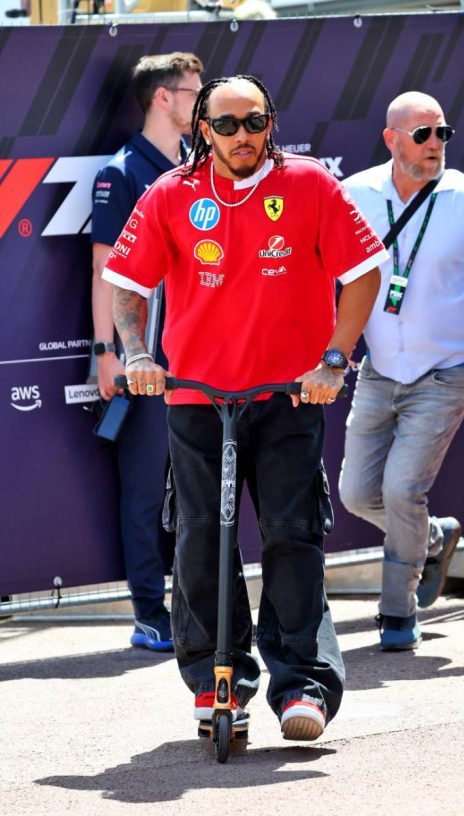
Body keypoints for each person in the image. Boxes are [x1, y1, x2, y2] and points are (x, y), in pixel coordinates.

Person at [102, 74, 389, 740]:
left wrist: (334, 361)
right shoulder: (172, 194)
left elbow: (363, 272)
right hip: (197, 400)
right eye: (225, 125)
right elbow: (126, 285)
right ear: (203, 127)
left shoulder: (310, 184)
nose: (240, 137)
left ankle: (303, 685)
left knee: (293, 533)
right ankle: (213, 677)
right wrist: (138, 356)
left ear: (270, 123)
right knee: (201, 539)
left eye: (252, 123)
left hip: (290, 396)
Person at [339, 91, 464, 652]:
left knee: (402, 490)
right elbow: (330, 273)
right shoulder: (355, 196)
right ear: (391, 139)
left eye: (442, 133)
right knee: (355, 494)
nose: (434, 146)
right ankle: (433, 538)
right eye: (422, 135)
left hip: (447, 372)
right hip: (378, 370)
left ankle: (396, 615)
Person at [91, 51, 204, 651]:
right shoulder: (122, 172)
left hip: (201, 361)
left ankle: (196, 609)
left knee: (197, 493)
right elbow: (105, 270)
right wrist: (108, 351)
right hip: (146, 361)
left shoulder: (197, 167)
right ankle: (147, 613)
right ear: (164, 97)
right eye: (194, 90)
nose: (203, 99)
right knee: (143, 491)